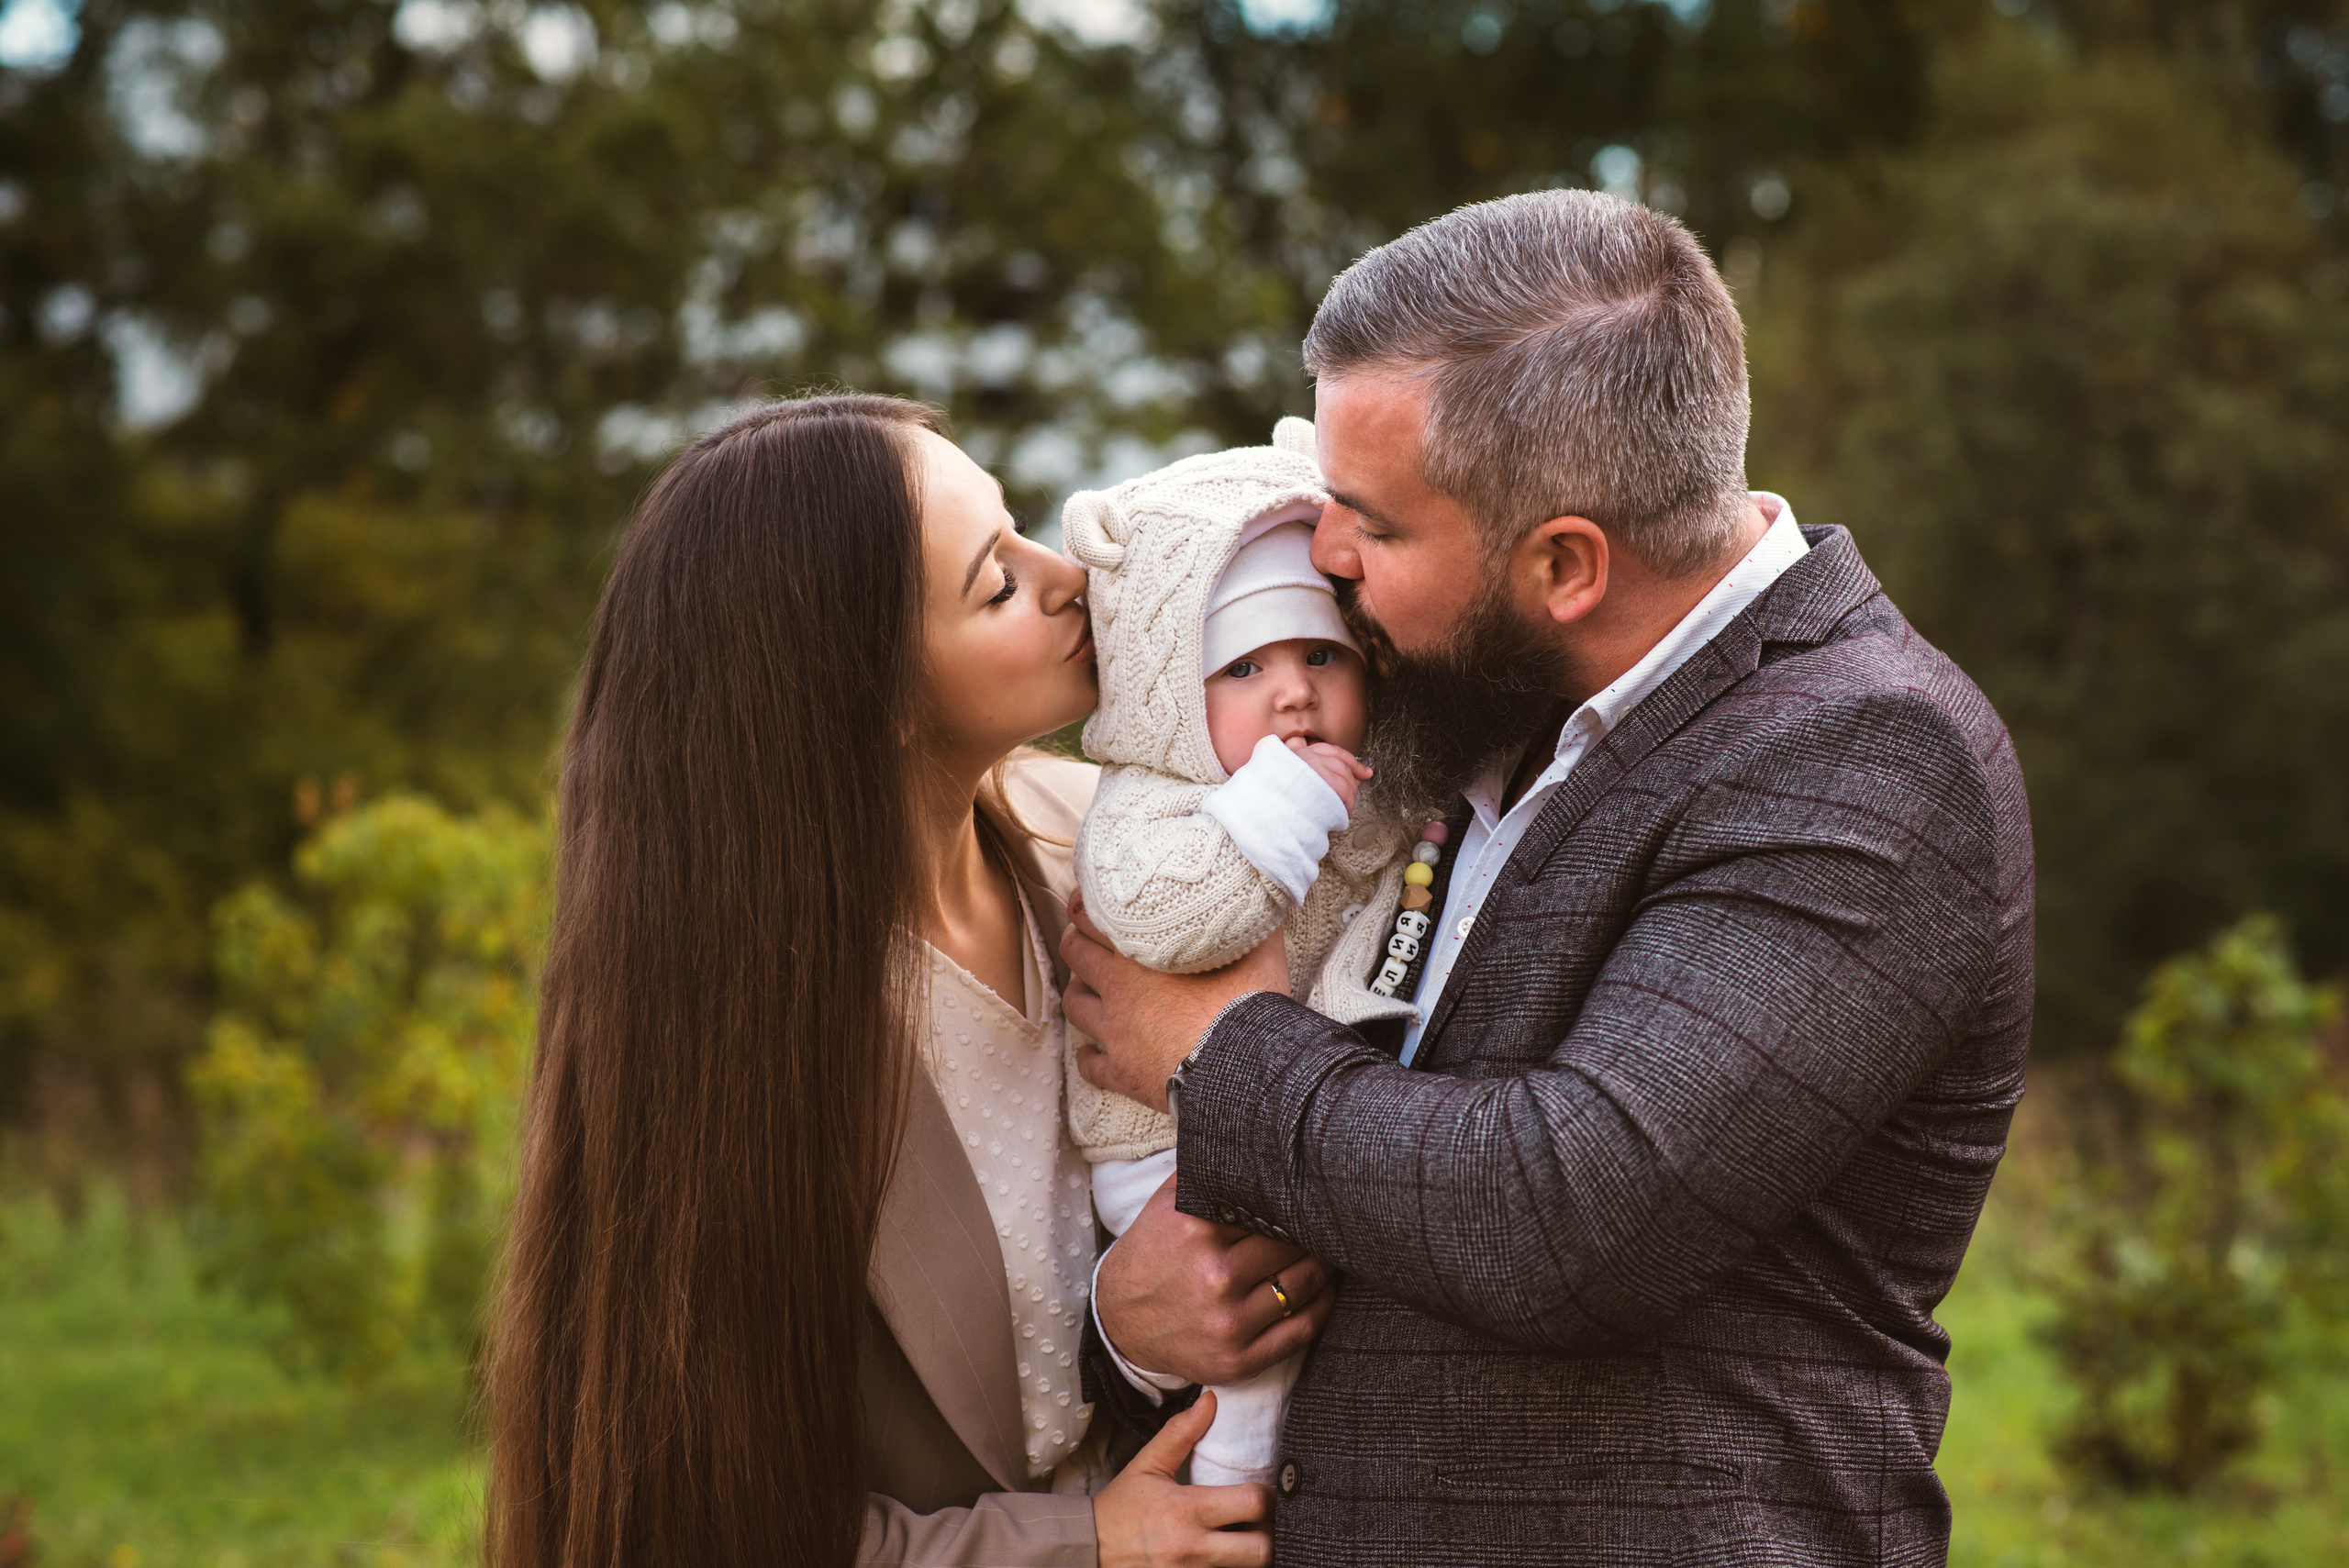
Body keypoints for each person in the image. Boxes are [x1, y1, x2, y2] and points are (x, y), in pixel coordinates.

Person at [1069, 190, 2035, 1565]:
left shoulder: (1868, 757)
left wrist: (1210, 1050)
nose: (1324, 557)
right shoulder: (1456, 704)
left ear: (1565, 564)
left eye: (1372, 523)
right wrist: (1130, 1319)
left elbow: (1562, 1211)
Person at [483, 395, 1325, 1568]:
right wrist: (1081, 1544)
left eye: (1019, 528)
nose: (1071, 576)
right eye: (998, 584)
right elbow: (694, 1528)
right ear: (865, 698)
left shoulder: (1109, 855)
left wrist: (1127, 1337)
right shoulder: (730, 1046)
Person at [1052, 428, 1410, 1486]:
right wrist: (1286, 804)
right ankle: (1231, 1501)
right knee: (1249, 1362)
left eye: (1320, 655)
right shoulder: (1153, 805)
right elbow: (1171, 919)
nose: (1292, 693)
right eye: (1244, 666)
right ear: (1168, 686)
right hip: (1162, 1151)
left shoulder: (1362, 784)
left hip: (1300, 1123)